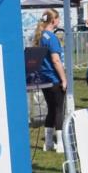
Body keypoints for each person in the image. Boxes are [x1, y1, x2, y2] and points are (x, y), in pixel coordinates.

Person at [32, 9, 66, 151]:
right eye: (58, 18)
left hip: (44, 78)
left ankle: (48, 143)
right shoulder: (51, 37)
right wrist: (63, 79)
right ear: (53, 21)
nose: (59, 21)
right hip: (53, 78)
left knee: (51, 109)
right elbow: (56, 60)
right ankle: (60, 144)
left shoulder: (40, 36)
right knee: (59, 109)